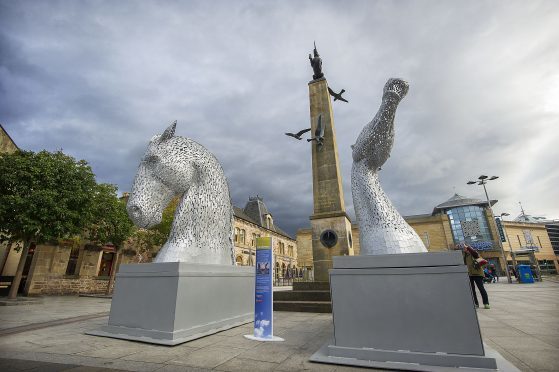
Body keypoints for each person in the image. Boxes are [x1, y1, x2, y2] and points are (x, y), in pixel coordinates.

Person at [462, 244, 490, 309]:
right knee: (472, 290)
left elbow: (474, 253)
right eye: (464, 248)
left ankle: (486, 303)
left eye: (465, 248)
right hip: (470, 274)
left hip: (478, 274)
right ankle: (476, 303)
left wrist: (468, 247)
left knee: (481, 288)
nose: (464, 249)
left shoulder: (474, 254)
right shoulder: (465, 256)